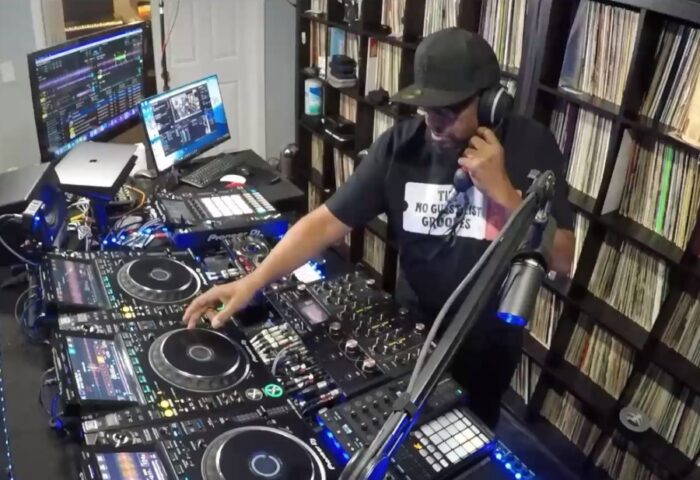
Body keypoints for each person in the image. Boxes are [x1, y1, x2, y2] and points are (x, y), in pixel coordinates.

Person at [183, 28, 575, 428]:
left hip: (486, 350)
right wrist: (252, 282)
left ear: (490, 103)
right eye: (427, 108)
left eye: (447, 110)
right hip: (411, 335)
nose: (433, 124)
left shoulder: (531, 147)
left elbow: (563, 258)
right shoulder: (400, 147)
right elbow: (324, 223)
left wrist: (504, 194)